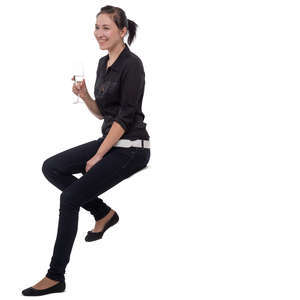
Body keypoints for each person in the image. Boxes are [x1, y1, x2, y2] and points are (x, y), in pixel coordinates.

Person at [22, 5, 150, 296]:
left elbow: (125, 118)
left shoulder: (133, 64)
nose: (99, 33)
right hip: (111, 140)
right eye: (96, 27)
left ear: (123, 31)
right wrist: (86, 97)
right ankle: (103, 212)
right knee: (51, 167)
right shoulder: (102, 64)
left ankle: (55, 276)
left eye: (106, 28)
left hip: (131, 147)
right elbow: (103, 114)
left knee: (70, 197)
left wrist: (98, 155)